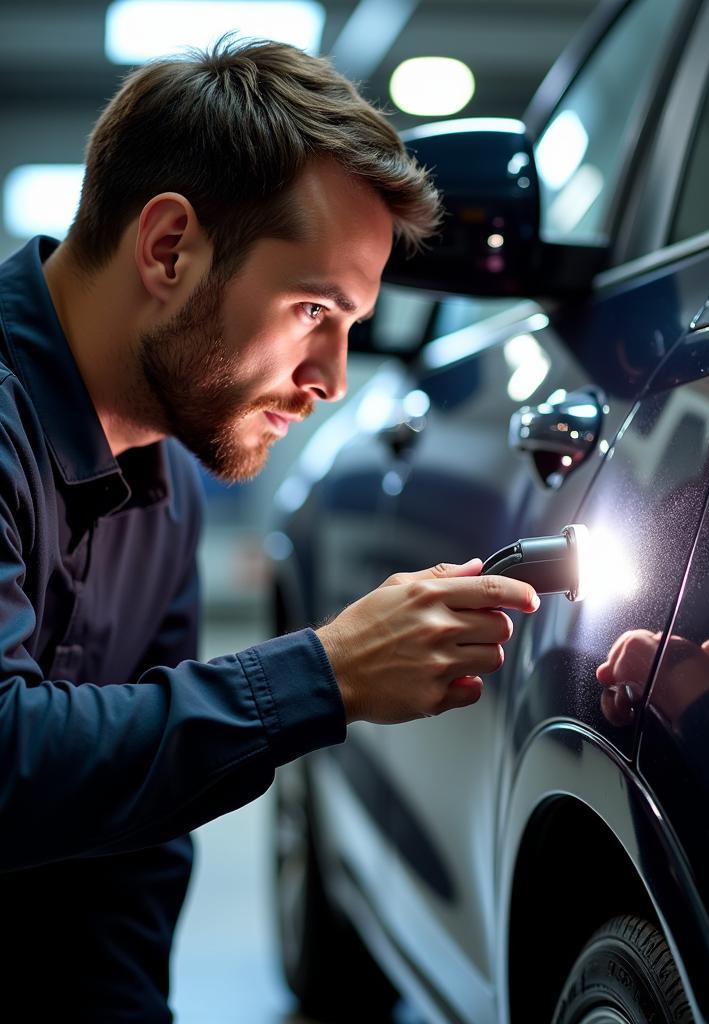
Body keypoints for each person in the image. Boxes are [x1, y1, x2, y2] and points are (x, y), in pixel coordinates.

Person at [0, 38, 539, 1019]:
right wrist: (321, 675)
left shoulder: (167, 487)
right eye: (310, 309)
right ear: (168, 248)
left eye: (349, 325)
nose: (332, 378)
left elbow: (129, 857)